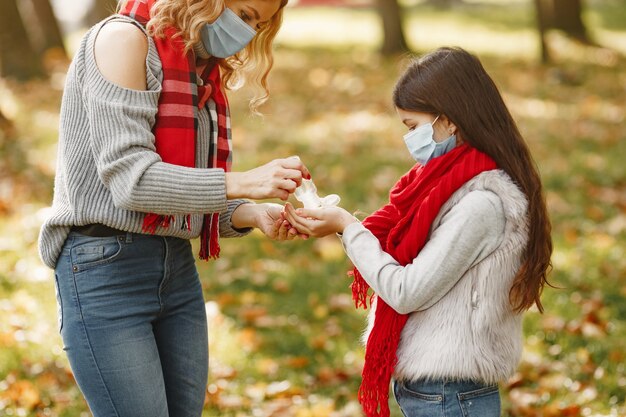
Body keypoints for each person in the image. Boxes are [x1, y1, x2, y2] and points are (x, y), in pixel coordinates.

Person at [38, 0, 308, 415]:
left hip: (176, 269)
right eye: (247, 14)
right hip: (105, 270)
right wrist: (247, 181)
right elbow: (134, 182)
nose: (249, 33)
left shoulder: (194, 67)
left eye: (261, 24)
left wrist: (252, 213)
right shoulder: (124, 41)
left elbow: (180, 194)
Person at [284, 46, 553, 417]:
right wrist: (340, 225)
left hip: (450, 393)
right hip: (438, 389)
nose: (409, 140)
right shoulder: (445, 185)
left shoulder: (481, 204)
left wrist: (348, 228)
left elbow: (406, 291)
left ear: (450, 120)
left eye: (413, 127)